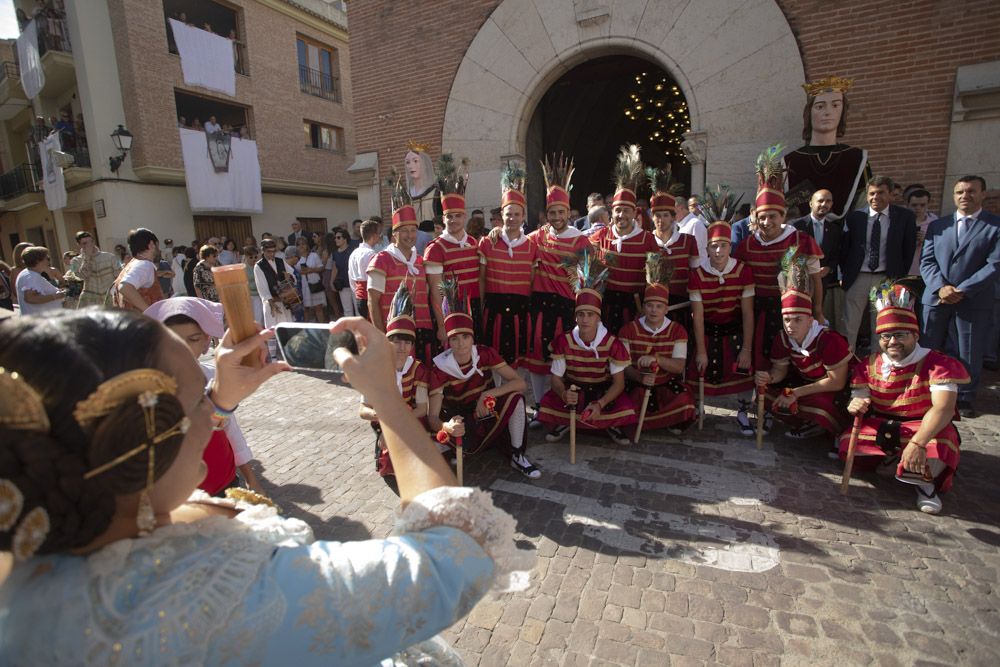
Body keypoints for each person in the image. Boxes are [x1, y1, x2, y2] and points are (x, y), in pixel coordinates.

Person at [0, 310, 530, 664]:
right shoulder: (217, 598)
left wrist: (217, 398)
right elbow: (457, 554)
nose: (214, 421)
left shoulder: (60, 530)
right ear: (139, 440)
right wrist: (386, 398)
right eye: (196, 400)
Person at [840, 285, 969, 514]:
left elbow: (943, 409)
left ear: (915, 335)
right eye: (886, 336)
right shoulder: (869, 364)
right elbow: (860, 396)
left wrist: (918, 443)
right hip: (883, 423)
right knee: (847, 441)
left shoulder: (938, 364)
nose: (892, 342)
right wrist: (856, 403)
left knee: (940, 446)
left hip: (925, 426)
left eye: (900, 335)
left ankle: (925, 485)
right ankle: (894, 459)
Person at [144, 297, 264, 495]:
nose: (183, 348)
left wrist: (252, 479)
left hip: (224, 479)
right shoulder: (146, 388)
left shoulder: (212, 375)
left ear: (207, 340)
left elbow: (230, 429)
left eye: (193, 339)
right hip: (180, 495)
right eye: (173, 340)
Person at [733, 145, 824, 372]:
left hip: (793, 312)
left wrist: (818, 310)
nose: (766, 222)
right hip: (757, 312)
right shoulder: (746, 245)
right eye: (762, 217)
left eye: (772, 216)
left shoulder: (800, 240)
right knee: (759, 359)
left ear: (783, 215)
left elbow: (815, 279)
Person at [428, 298, 540, 479]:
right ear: (448, 341)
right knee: (428, 446)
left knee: (516, 398)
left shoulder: (484, 353)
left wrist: (488, 394)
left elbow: (519, 383)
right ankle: (460, 449)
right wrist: (447, 426)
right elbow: (432, 417)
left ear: (473, 337)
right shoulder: (439, 368)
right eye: (454, 339)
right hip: (461, 422)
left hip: (487, 413)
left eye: (465, 337)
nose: (461, 344)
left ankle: (517, 454)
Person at [537, 253, 639, 446]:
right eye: (581, 314)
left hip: (601, 392)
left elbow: (618, 384)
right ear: (575, 317)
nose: (585, 320)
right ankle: (568, 421)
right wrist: (563, 393)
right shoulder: (564, 341)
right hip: (574, 388)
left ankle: (606, 422)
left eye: (590, 315)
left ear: (598, 318)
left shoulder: (612, 343)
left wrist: (600, 403)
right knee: (547, 405)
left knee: (626, 408)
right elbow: (556, 379)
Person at [920, 175, 1000, 418]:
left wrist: (962, 290)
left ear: (982, 194)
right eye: (960, 192)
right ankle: (924, 392)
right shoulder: (938, 226)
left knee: (968, 350)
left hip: (974, 300)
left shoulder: (995, 226)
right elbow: (927, 261)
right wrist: (940, 287)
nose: (965, 196)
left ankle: (964, 397)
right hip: (936, 298)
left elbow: (994, 265)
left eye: (971, 191)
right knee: (928, 346)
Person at [524, 154, 591, 424]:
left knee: (563, 360)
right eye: (552, 213)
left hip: (567, 307)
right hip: (540, 308)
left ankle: (561, 405)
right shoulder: (537, 237)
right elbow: (515, 239)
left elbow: (590, 278)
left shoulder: (581, 241)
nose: (557, 217)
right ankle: (541, 406)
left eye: (561, 212)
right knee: (538, 360)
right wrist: (494, 232)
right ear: (546, 214)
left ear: (569, 212)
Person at [755, 263, 852, 441]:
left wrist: (796, 393)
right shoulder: (783, 338)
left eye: (797, 320)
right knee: (767, 390)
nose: (790, 326)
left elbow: (837, 382)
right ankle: (803, 422)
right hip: (806, 383)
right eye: (787, 320)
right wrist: (769, 377)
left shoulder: (828, 340)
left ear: (810, 320)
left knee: (820, 404)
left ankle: (827, 428)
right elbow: (780, 370)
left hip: (833, 389)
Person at [688, 211, 757, 434]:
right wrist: (701, 350)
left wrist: (746, 349)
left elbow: (747, 312)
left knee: (743, 372)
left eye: (723, 245)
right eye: (714, 246)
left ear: (730, 247)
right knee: (697, 369)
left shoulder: (743, 270)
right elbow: (697, 315)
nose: (718, 251)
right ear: (706, 248)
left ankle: (743, 410)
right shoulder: (697, 274)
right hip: (707, 330)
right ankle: (698, 407)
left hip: (734, 330)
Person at [360, 284, 431, 487]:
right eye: (397, 341)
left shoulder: (418, 369)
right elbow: (363, 410)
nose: (402, 348)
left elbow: (421, 408)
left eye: (407, 343)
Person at [617, 258, 697, 435]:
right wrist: (639, 377)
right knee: (621, 406)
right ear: (643, 307)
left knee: (686, 402)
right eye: (650, 306)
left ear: (666, 309)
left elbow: (678, 366)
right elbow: (623, 366)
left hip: (665, 383)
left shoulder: (678, 330)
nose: (654, 310)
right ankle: (661, 421)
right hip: (637, 383)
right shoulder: (628, 330)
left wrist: (657, 359)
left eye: (659, 306)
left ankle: (660, 420)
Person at [842, 176, 917, 352]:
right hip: (858, 277)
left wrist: (898, 278)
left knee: (882, 325)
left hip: (886, 278)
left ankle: (878, 365)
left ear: (890, 194)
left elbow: (908, 249)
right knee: (849, 325)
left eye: (881, 193)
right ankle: (845, 363)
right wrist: (844, 274)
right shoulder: (855, 217)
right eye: (872, 194)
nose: (876, 197)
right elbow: (845, 248)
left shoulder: (904, 217)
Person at [589, 145, 660, 334]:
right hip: (605, 308)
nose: (621, 215)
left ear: (634, 212)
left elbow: (655, 280)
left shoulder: (648, 241)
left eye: (626, 210)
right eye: (617, 210)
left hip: (634, 309)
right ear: (611, 211)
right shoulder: (599, 237)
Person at [368, 179, 437, 364]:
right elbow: (372, 302)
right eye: (404, 231)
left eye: (413, 230)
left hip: (422, 332)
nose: (410, 235)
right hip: (395, 335)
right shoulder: (381, 260)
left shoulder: (422, 262)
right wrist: (381, 336)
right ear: (394, 234)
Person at [783, 76, 871, 220]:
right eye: (820, 106)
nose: (828, 112)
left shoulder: (856, 158)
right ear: (809, 111)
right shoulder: (790, 161)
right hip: (801, 233)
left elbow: (864, 202)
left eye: (835, 105)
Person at [479, 162, 536, 366]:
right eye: (508, 214)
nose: (512, 218)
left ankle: (514, 397)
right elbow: (482, 278)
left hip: (520, 309)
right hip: (494, 309)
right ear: (501, 216)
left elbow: (531, 280)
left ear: (523, 217)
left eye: (516, 214)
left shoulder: (532, 245)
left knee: (517, 360)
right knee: (493, 359)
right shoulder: (488, 242)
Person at [424, 154, 480, 343]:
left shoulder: (474, 243)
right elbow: (435, 292)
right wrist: (442, 326)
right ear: (444, 218)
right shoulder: (435, 248)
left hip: (477, 312)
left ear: (464, 217)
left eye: (458, 215)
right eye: (449, 216)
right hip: (452, 313)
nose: (453, 220)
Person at [648, 165, 700, 338]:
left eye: (665, 215)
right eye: (657, 215)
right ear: (652, 217)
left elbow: (696, 274)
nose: (661, 220)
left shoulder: (688, 241)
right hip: (653, 309)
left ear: (673, 216)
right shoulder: (646, 242)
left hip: (681, 307)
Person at [791, 189, 846, 333]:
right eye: (820, 201)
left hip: (822, 282)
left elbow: (836, 255)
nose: (824, 204)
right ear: (811, 203)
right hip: (798, 283)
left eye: (828, 201)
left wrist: (829, 268)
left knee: (816, 318)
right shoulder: (796, 226)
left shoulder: (834, 229)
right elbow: (788, 255)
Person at [111, 228, 163, 311]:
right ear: (151, 245)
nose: (159, 250)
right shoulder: (145, 265)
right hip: (143, 321)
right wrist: (149, 311)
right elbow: (124, 287)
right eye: (158, 245)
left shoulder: (132, 264)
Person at [66, 231, 122, 308]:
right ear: (79, 245)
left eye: (91, 241)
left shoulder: (110, 257)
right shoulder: (75, 261)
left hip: (110, 297)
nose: (89, 245)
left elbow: (120, 275)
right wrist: (87, 257)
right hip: (90, 301)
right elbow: (83, 275)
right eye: (85, 243)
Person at [253, 239, 295, 329]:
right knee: (273, 330)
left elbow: (292, 275)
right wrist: (271, 303)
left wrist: (289, 277)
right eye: (269, 252)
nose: (272, 254)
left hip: (285, 300)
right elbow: (262, 287)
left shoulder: (280, 261)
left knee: (287, 328)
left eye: (273, 251)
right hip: (272, 302)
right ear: (263, 251)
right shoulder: (259, 266)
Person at [14, 247, 65, 315]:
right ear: (38, 261)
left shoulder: (28, 273)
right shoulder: (31, 276)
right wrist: (56, 296)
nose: (48, 261)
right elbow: (30, 298)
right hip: (38, 321)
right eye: (46, 258)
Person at [348, 220, 380, 319]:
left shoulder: (354, 253)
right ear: (374, 236)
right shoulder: (371, 254)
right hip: (369, 298)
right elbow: (374, 280)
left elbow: (351, 279)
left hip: (358, 297)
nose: (379, 236)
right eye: (379, 234)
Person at [404, 141, 441, 223]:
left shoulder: (436, 192)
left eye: (415, 161)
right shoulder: (406, 194)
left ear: (425, 164)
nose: (411, 166)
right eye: (407, 162)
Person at [906, 186, 936, 276]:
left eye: (922, 205)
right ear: (907, 205)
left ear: (928, 205)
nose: (918, 208)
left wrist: (926, 240)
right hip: (904, 268)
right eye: (914, 205)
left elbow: (941, 246)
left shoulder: (935, 222)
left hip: (926, 270)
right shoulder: (901, 221)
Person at [295, 236, 327, 323]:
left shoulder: (314, 255)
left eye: (303, 244)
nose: (301, 246)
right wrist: (300, 272)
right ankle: (306, 331)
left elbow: (321, 268)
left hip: (315, 283)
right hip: (304, 286)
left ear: (307, 245)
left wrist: (311, 270)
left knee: (318, 308)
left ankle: (323, 329)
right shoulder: (296, 259)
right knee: (306, 309)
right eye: (299, 244)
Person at [242, 246, 264, 326]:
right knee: (250, 317)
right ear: (246, 257)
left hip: (258, 295)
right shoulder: (243, 268)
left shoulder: (259, 266)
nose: (253, 259)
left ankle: (259, 333)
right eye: (251, 257)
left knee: (259, 316)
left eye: (255, 257)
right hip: (248, 295)